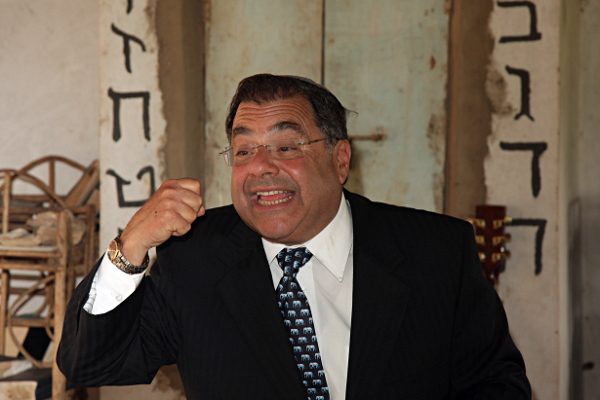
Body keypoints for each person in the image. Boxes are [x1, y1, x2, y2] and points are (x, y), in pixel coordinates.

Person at [57, 74, 531, 400]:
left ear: (340, 161)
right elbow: (88, 365)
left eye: (286, 146)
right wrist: (131, 246)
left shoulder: (436, 251)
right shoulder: (192, 259)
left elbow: (496, 383)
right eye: (244, 150)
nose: (261, 167)